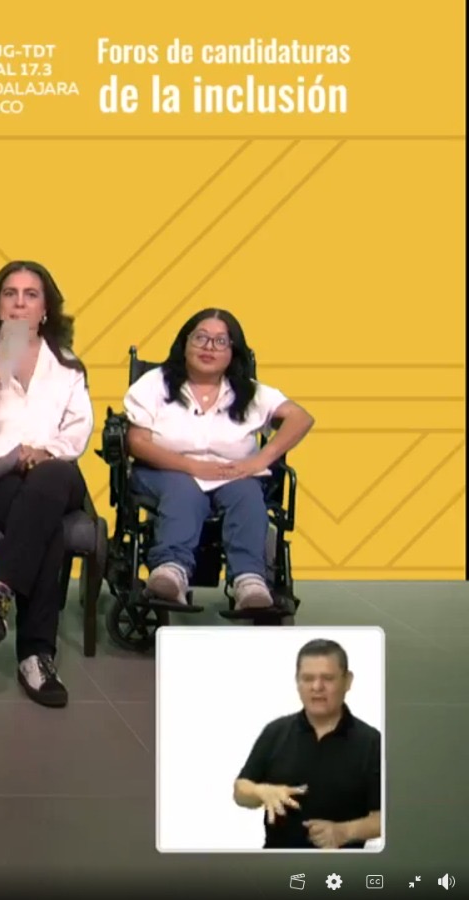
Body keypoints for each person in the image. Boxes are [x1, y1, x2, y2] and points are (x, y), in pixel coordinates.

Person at [0, 260, 92, 708]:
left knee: (53, 476)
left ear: (45, 309)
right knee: (47, 529)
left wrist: (45, 452)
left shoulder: (66, 366)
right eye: (11, 294)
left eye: (31, 295)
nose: (20, 303)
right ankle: (36, 658)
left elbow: (78, 432)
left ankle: (0, 587)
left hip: (51, 469)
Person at [123, 309, 314, 610]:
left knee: (247, 493)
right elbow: (137, 442)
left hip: (230, 474)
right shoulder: (154, 384)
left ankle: (249, 581)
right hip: (164, 470)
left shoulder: (249, 392)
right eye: (201, 338)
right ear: (185, 342)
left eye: (220, 341)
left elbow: (300, 417)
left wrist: (260, 460)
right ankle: (171, 571)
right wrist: (192, 467)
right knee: (183, 490)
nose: (209, 347)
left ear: (233, 351)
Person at [233, 639, 382, 850]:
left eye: (327, 678)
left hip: (343, 867)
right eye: (308, 678)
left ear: (347, 681)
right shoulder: (275, 732)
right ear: (297, 682)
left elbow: (387, 818)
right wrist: (261, 792)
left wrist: (344, 832)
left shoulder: (372, 742)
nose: (317, 687)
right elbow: (240, 790)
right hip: (277, 864)